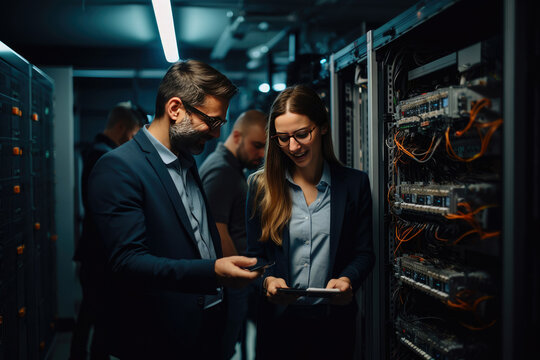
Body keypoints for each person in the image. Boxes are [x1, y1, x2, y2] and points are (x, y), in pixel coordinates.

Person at [87, 60, 262, 359]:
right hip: (157, 339)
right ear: (175, 108)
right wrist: (212, 271)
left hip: (205, 329)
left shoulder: (186, 160)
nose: (217, 134)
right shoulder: (118, 168)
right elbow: (129, 262)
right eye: (213, 121)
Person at [246, 85, 375, 360]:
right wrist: (267, 280)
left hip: (333, 324)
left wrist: (347, 279)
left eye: (302, 134)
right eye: (282, 138)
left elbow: (364, 252)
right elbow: (254, 256)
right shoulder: (261, 187)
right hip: (279, 325)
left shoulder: (354, 185)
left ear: (323, 127)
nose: (293, 147)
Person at [70, 101, 145, 360]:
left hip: (93, 253)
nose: (133, 141)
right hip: (99, 255)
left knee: (91, 315)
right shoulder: (105, 157)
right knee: (99, 318)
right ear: (122, 127)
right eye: (133, 134)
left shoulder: (95, 152)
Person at [199, 109, 267, 359]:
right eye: (256, 146)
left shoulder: (228, 167)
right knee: (222, 350)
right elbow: (217, 230)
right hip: (229, 285)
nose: (260, 155)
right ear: (237, 136)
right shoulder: (223, 171)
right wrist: (241, 280)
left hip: (230, 285)